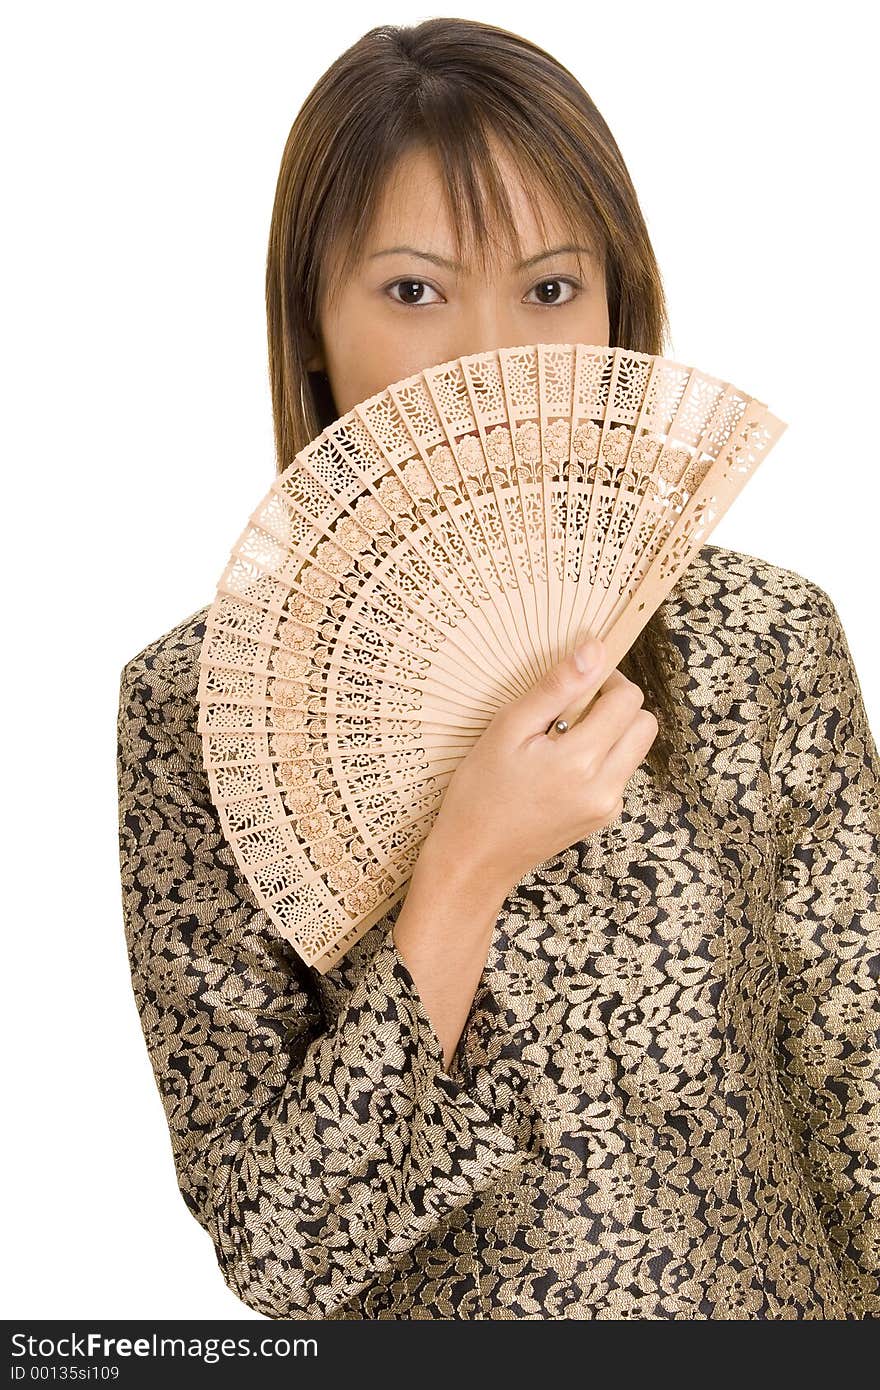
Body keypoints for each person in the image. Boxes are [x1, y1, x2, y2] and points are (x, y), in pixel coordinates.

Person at [115, 18, 880, 1319]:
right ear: (313, 325)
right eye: (415, 291)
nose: (492, 358)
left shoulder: (764, 645)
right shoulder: (194, 712)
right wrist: (461, 868)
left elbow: (864, 1101)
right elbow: (281, 1256)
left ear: (618, 314)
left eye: (549, 288)